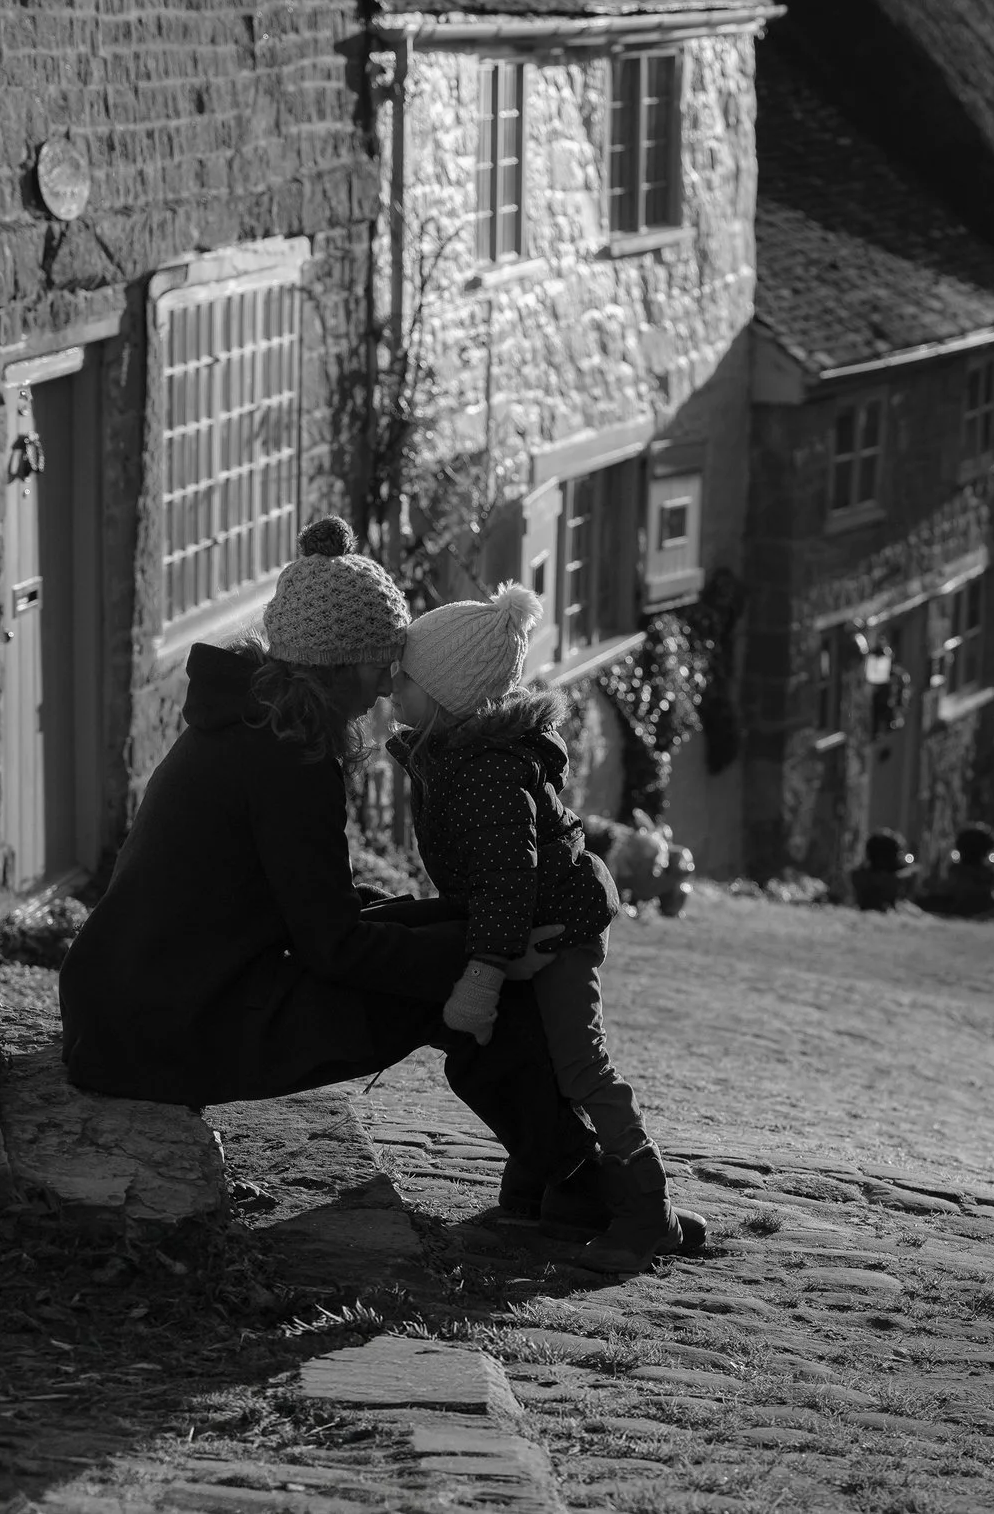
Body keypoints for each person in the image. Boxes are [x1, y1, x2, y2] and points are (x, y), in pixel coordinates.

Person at [59, 519, 589, 1213]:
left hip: (135, 997)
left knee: (466, 947)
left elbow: (310, 901)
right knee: (467, 987)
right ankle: (576, 1182)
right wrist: (480, 957)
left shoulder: (252, 724)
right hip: (169, 1022)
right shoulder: (288, 758)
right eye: (379, 664)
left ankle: (555, 1173)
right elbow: (331, 942)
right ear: (339, 666)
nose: (382, 690)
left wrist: (470, 933)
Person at [387, 585, 704, 1275]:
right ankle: (544, 1184)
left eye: (403, 678)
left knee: (580, 1063)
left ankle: (648, 1208)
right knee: (528, 1048)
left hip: (556, 929)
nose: (391, 689)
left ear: (445, 692)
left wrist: (484, 970)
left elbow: (509, 882)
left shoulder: (489, 773)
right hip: (528, 928)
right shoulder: (447, 757)